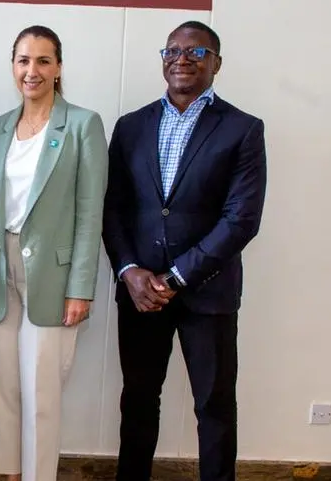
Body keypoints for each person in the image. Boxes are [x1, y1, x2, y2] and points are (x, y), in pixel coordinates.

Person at [103, 21, 267, 481]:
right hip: (139, 294)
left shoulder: (242, 129)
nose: (181, 59)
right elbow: (112, 208)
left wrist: (176, 277)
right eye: (172, 50)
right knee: (137, 400)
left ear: (216, 63)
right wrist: (130, 270)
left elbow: (241, 219)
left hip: (207, 293)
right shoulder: (131, 126)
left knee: (213, 406)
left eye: (196, 52)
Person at [0, 26, 109, 481]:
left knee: (42, 392)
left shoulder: (83, 124)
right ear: (13, 66)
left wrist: (81, 287)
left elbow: (90, 214)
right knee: (2, 384)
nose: (33, 71)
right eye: (24, 60)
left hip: (54, 275)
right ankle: (9, 472)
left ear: (59, 68)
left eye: (44, 61)